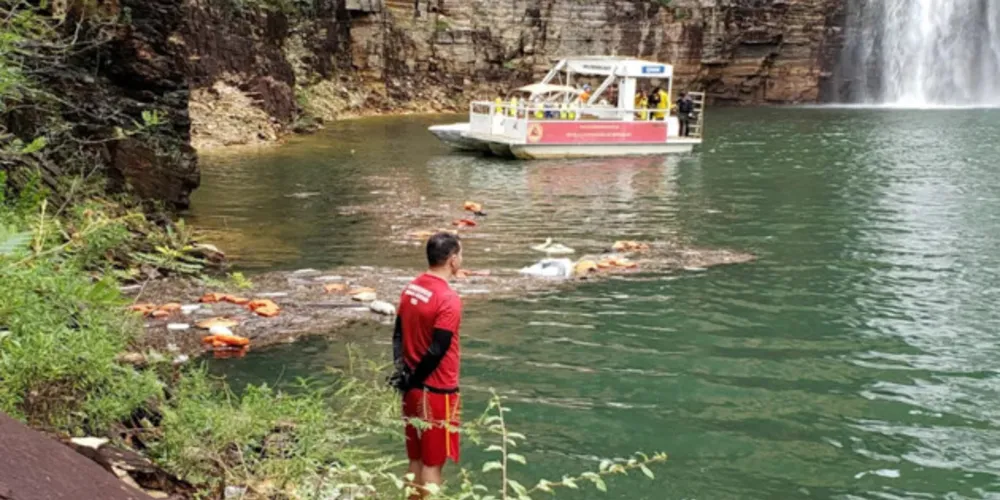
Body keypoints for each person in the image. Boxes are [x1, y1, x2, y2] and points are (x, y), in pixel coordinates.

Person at [391, 232, 464, 499]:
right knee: (433, 463)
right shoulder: (448, 298)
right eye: (461, 254)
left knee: (416, 460)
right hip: (437, 391)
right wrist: (417, 378)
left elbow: (398, 334)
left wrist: (403, 373)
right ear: (452, 259)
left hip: (411, 388)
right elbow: (438, 348)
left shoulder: (411, 288)